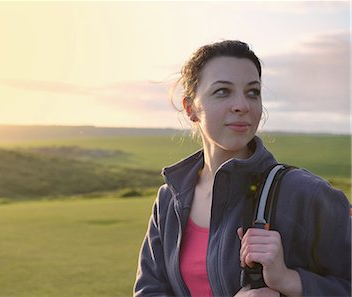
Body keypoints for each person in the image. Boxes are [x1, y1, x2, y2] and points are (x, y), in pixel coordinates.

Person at [133, 40, 351, 297]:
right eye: (223, 92)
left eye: (252, 92)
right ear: (191, 108)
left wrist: (290, 281)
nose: (242, 105)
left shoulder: (306, 194)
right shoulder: (170, 200)